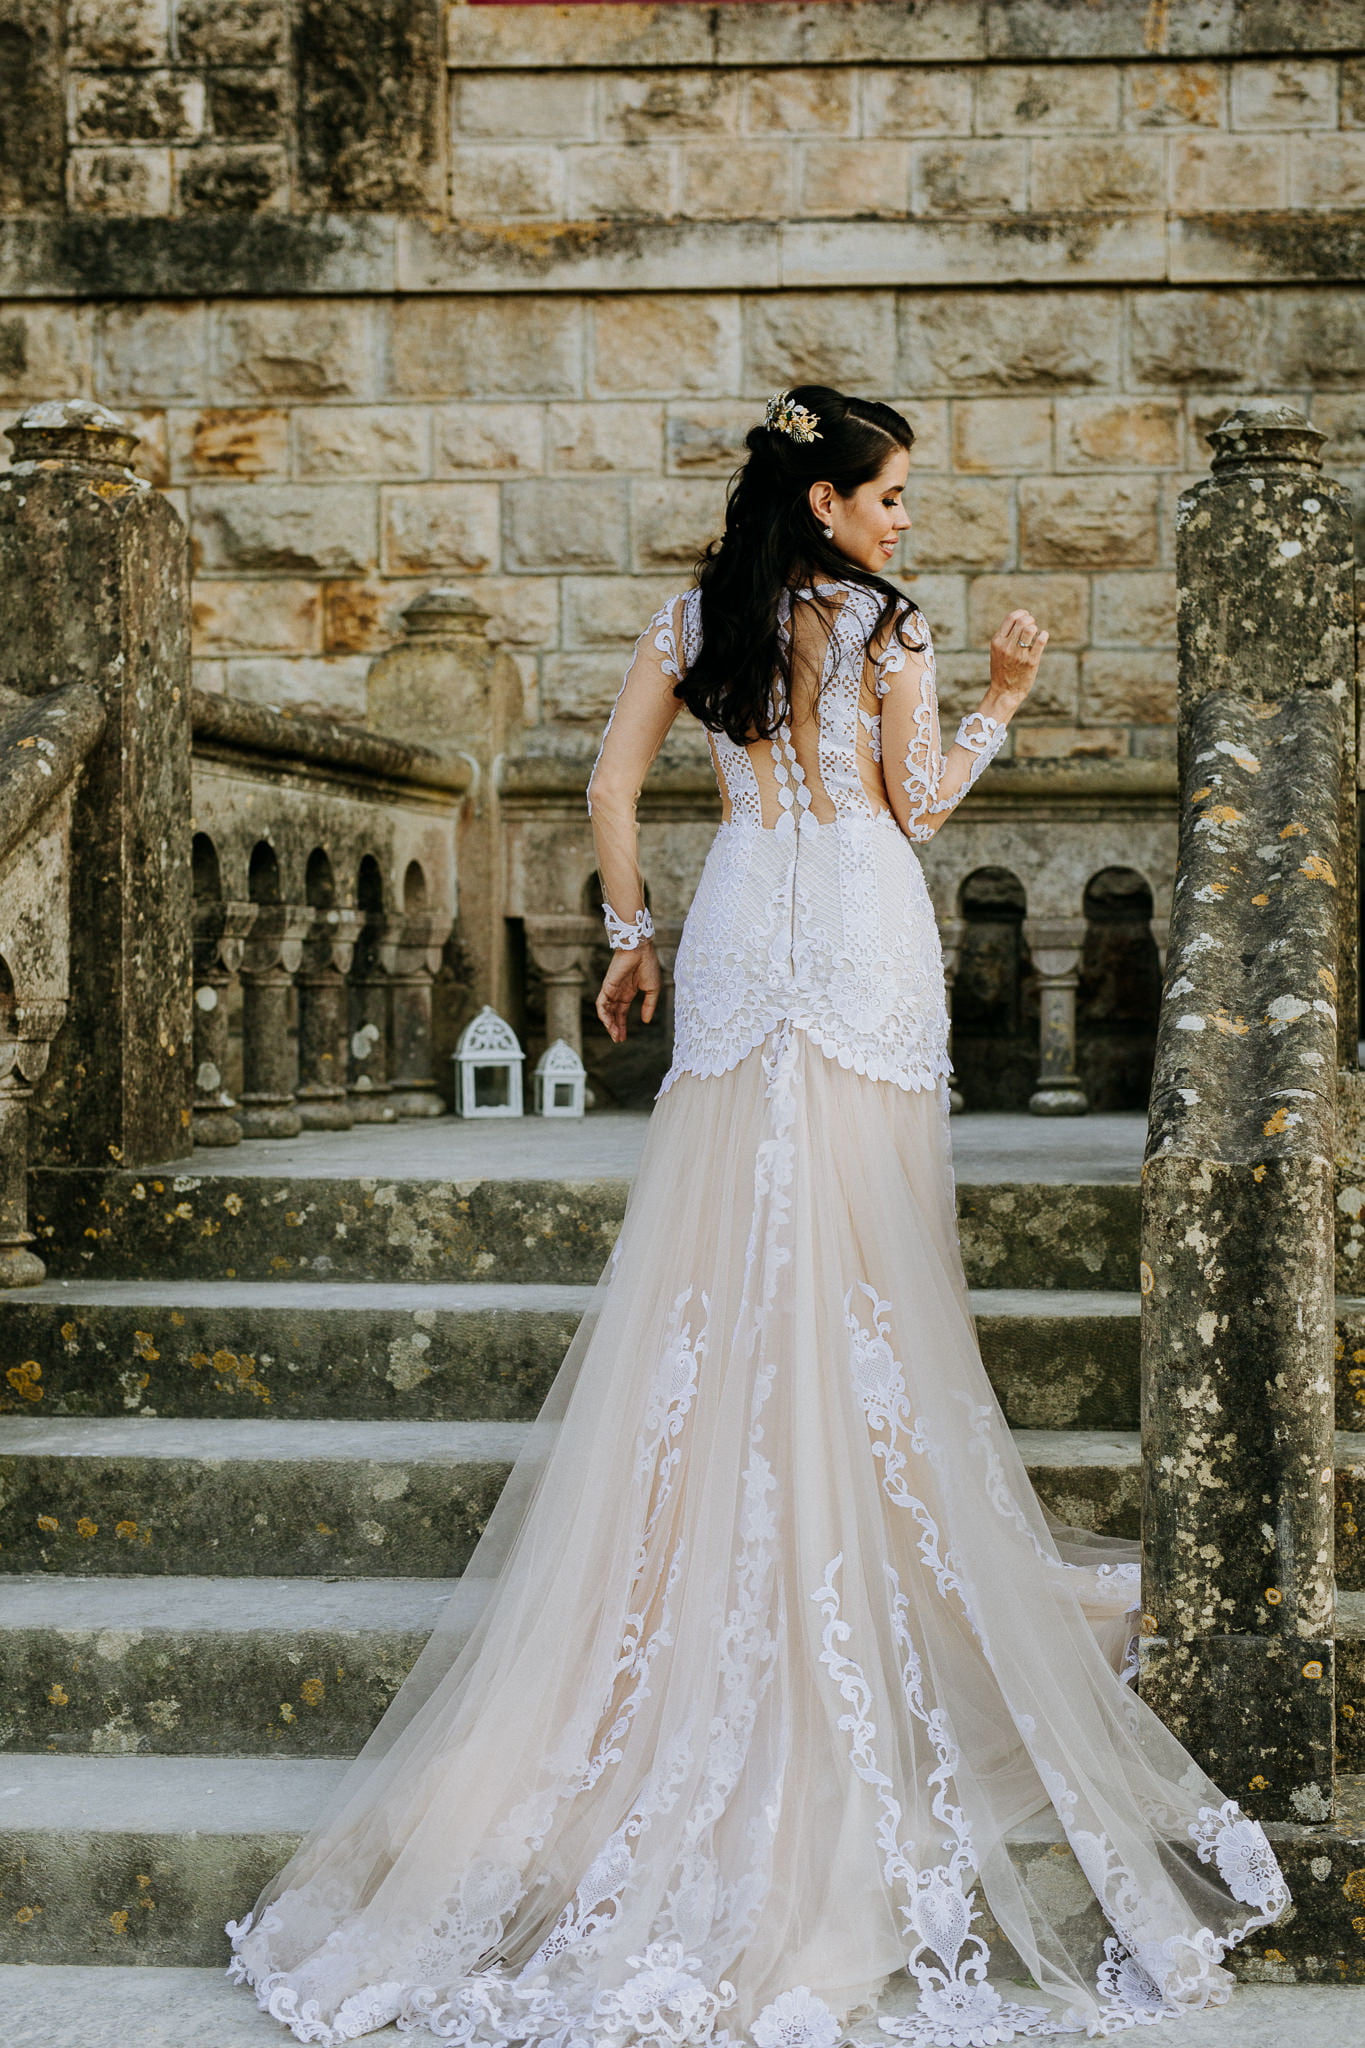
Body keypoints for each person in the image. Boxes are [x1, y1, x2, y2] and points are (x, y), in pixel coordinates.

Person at [229, 385, 1288, 2048]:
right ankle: (837, 1562)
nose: (901, 524)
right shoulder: (886, 626)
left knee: (722, 1275)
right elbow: (919, 803)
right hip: (857, 938)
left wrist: (634, 936)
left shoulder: (693, 616)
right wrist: (1003, 698)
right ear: (821, 504)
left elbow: (601, 793)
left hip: (735, 937)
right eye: (883, 500)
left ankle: (702, 1575)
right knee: (863, 1270)